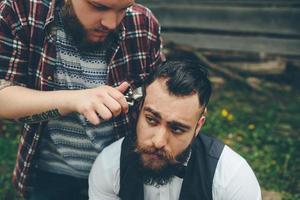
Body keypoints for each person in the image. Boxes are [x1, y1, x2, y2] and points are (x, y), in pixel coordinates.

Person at [0, 0, 163, 199]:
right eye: (99, 7)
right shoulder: (21, 10)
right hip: (50, 173)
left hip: (121, 173)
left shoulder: (144, 23)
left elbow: (160, 92)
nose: (111, 23)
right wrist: (74, 100)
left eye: (123, 9)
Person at [89, 60, 262, 200]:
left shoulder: (232, 178)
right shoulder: (109, 167)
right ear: (139, 109)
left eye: (177, 129)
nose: (158, 141)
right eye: (151, 120)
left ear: (198, 126)